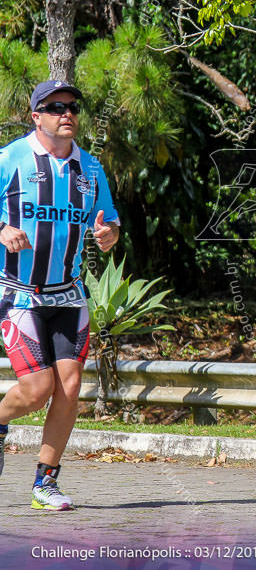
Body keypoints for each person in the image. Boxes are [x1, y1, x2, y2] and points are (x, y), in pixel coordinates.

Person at [0, 80, 120, 510]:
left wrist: (108, 235)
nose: (66, 113)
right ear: (37, 116)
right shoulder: (9, 159)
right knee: (36, 389)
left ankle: (44, 484)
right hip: (17, 292)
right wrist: (2, 230)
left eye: (73, 107)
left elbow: (110, 223)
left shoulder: (90, 169)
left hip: (68, 293)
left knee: (69, 388)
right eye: (55, 107)